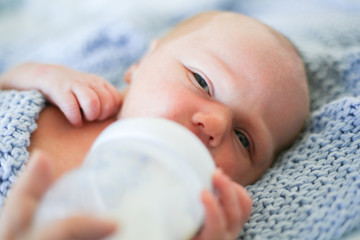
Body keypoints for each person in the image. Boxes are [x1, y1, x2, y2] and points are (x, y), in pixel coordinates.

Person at [0, 11, 309, 240]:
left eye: (243, 139)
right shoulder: (74, 101)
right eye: (201, 81)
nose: (216, 123)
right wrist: (38, 77)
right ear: (142, 62)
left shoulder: (177, 216)